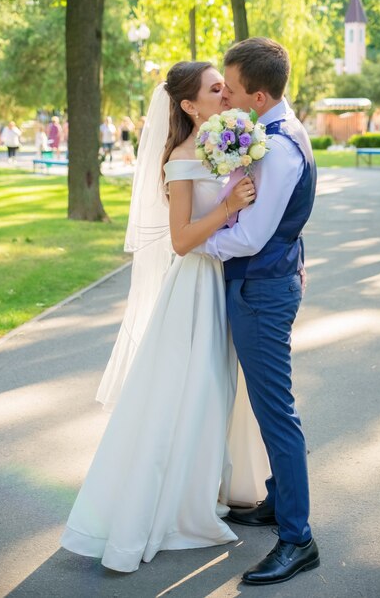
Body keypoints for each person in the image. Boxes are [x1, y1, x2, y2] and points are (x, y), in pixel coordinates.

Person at [60, 62, 267, 573]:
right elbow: (180, 240)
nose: (225, 93)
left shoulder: (230, 141)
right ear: (189, 106)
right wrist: (228, 207)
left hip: (225, 282)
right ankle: (172, 509)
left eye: (225, 86)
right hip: (195, 288)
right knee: (191, 394)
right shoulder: (179, 159)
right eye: (214, 89)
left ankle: (204, 490)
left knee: (216, 393)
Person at [195, 37, 319, 586]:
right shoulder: (269, 133)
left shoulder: (281, 147)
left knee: (276, 412)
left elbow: (249, 235)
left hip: (261, 292)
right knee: (266, 404)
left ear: (261, 96)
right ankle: (277, 502)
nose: (226, 102)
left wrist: (194, 245)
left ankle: (298, 539)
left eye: (235, 92)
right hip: (265, 285)